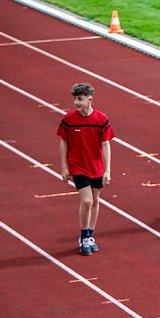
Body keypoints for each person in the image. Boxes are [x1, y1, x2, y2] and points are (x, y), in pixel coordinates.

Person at [57, 82, 114, 256]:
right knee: (87, 200)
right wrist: (64, 167)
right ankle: (83, 236)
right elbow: (63, 142)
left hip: (95, 166)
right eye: (75, 99)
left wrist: (107, 170)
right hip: (78, 166)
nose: (76, 102)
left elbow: (106, 145)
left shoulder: (101, 119)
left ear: (90, 99)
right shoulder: (69, 119)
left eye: (80, 99)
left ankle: (90, 235)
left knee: (96, 200)